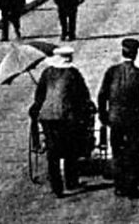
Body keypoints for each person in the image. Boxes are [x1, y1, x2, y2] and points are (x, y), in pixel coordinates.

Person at [96, 37, 139, 197]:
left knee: (117, 152)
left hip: (115, 119)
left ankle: (119, 186)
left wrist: (103, 114)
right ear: (135, 55)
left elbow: (102, 95)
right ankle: (132, 188)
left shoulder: (111, 71)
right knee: (132, 153)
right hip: (133, 120)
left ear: (123, 52)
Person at [29, 44, 93, 197]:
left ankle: (56, 187)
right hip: (68, 118)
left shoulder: (47, 73)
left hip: (48, 117)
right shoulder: (73, 74)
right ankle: (71, 182)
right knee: (71, 149)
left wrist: (37, 109)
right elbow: (83, 96)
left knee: (52, 152)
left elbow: (39, 97)